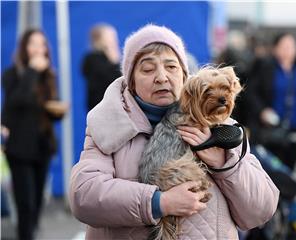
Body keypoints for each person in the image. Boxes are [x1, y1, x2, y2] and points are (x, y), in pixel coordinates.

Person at [69, 24, 279, 239]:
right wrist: (160, 202)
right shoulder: (108, 126)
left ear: (185, 76)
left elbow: (261, 210)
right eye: (148, 69)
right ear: (130, 81)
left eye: (171, 67)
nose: (161, 77)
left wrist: (225, 164)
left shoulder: (224, 128)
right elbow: (84, 196)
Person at [1, 29, 68, 240]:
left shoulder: (48, 75)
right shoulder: (13, 74)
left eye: (42, 44)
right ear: (24, 48)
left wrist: (58, 111)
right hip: (19, 148)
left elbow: (48, 112)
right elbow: (14, 103)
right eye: (33, 44)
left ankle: (30, 232)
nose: (39, 49)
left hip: (43, 146)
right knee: (26, 203)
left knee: (38, 202)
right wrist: (31, 71)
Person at [247, 32, 296, 171]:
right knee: (272, 171)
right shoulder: (265, 67)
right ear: (275, 48)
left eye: (291, 46)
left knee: (290, 172)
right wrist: (262, 111)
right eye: (283, 46)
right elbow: (250, 92)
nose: (287, 50)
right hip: (270, 130)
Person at [82, 23, 122, 111]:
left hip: (114, 107)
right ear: (100, 39)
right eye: (111, 36)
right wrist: (115, 63)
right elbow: (113, 79)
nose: (115, 40)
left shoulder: (112, 58)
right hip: (99, 106)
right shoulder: (92, 58)